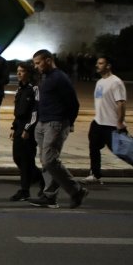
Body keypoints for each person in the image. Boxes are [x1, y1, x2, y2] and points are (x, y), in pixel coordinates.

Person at [28, 50, 87, 208]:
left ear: (48, 60)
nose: (36, 66)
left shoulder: (60, 78)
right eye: (34, 64)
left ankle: (76, 190)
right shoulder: (45, 77)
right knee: (45, 162)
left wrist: (69, 123)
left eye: (38, 63)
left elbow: (73, 103)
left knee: (49, 160)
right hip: (42, 123)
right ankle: (50, 197)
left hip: (56, 123)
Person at [85, 55, 133, 184]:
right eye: (97, 63)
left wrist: (120, 122)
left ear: (108, 66)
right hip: (98, 122)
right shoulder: (99, 82)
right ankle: (95, 175)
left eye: (101, 63)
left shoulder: (116, 82)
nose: (97, 65)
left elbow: (121, 103)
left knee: (121, 152)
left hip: (112, 124)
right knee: (93, 148)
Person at [9, 61, 44, 201]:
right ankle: (42, 179)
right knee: (17, 158)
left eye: (22, 71)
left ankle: (25, 190)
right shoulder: (20, 88)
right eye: (18, 71)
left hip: (28, 128)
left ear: (28, 73)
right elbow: (17, 111)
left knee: (25, 160)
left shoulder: (34, 88)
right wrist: (13, 127)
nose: (18, 73)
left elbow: (35, 111)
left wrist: (27, 129)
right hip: (19, 126)